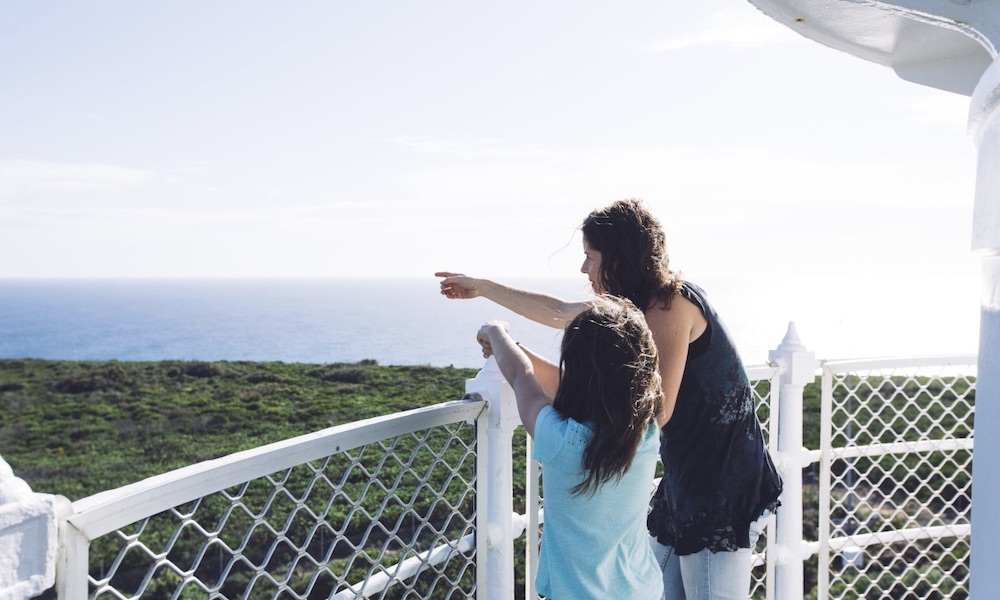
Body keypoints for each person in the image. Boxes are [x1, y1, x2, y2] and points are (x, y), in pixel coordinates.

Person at [437, 198, 782, 600]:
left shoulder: (668, 306)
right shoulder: (634, 305)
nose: (584, 269)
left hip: (719, 483)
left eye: (590, 257)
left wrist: (515, 357)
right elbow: (562, 312)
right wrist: (484, 291)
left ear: (618, 259)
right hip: (684, 476)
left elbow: (656, 410)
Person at [475, 295, 664, 600]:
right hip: (643, 591)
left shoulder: (561, 439)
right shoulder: (646, 433)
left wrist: (496, 332)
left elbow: (521, 376)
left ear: (576, 371)